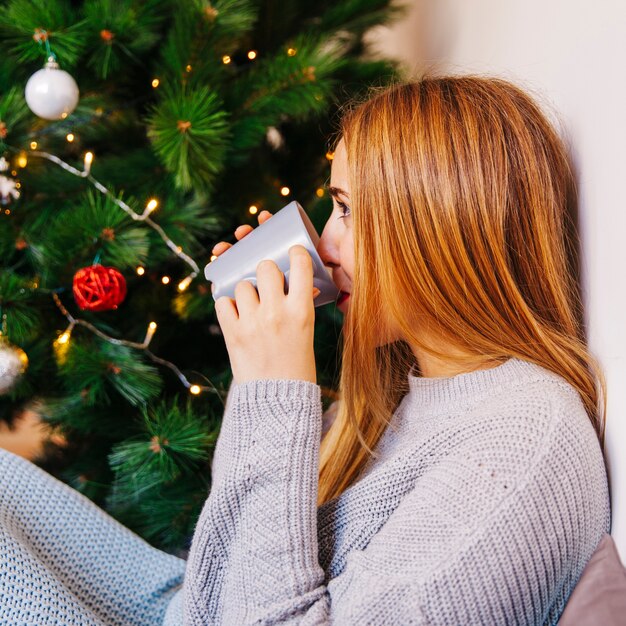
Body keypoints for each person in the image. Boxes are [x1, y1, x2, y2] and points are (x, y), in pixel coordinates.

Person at [0, 75, 610, 625]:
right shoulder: (405, 388)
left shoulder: (519, 442)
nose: (325, 242)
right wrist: (264, 381)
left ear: (437, 230)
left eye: (345, 209)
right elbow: (217, 586)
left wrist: (274, 391)